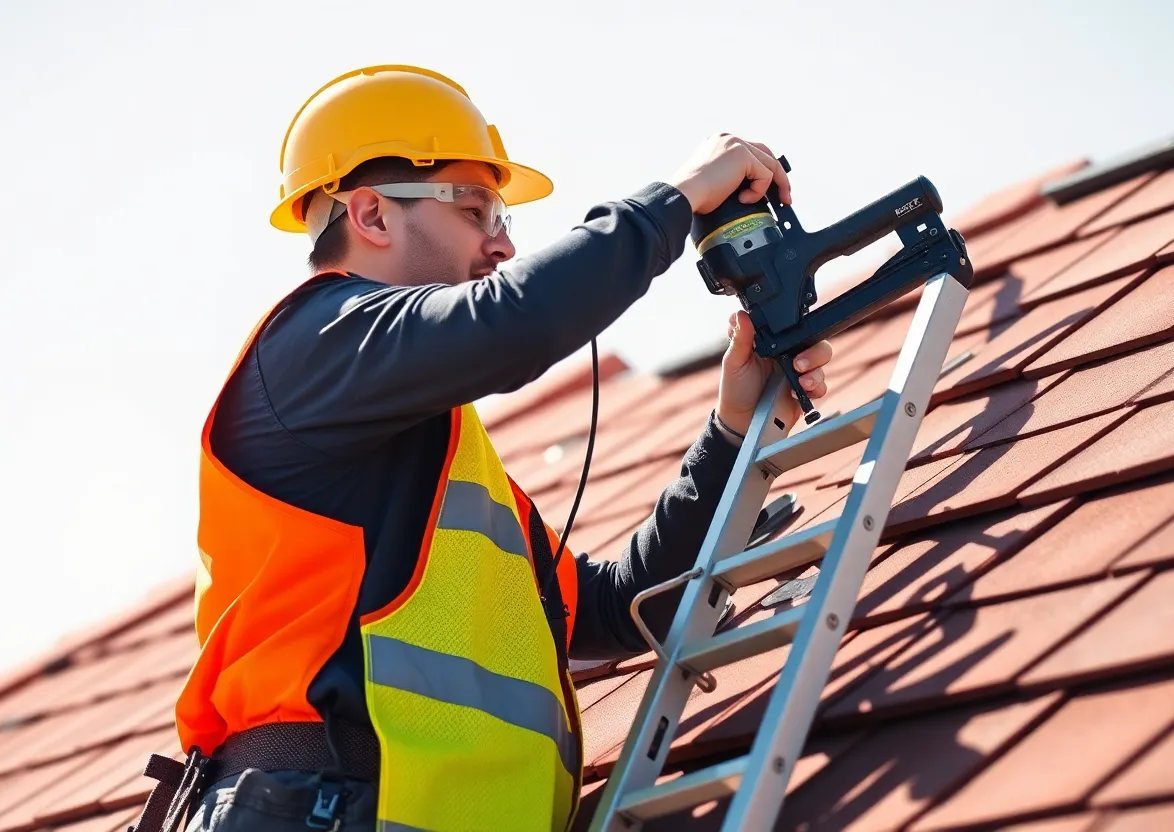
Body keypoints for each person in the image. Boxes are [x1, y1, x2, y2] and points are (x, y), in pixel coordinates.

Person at [170, 65, 832, 832]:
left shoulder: (432, 454)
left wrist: (731, 428)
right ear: (373, 215)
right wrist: (676, 199)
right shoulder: (310, 346)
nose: (505, 242)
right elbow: (512, 323)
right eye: (476, 208)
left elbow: (616, 608)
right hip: (313, 809)